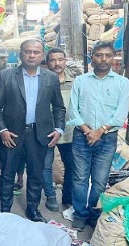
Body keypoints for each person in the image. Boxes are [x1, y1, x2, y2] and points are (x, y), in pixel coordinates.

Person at [0, 39, 65, 222]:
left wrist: (59, 129)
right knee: (7, 173)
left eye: (36, 52)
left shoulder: (51, 78)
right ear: (20, 53)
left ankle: (33, 209)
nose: (32, 55)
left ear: (42, 56)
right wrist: (2, 130)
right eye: (28, 51)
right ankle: (5, 210)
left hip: (39, 134)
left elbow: (58, 107)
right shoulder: (6, 76)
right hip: (12, 135)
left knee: (36, 174)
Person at [68, 41, 129, 231]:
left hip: (107, 138)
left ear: (113, 58)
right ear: (92, 57)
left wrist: (100, 131)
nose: (103, 59)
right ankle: (80, 214)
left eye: (108, 55)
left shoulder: (122, 83)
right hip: (82, 137)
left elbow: (120, 114)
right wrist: (89, 131)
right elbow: (73, 111)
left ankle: (94, 214)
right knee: (79, 178)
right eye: (99, 55)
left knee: (99, 180)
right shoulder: (80, 81)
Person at [43, 47, 75, 212]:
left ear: (65, 61)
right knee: (46, 166)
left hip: (69, 131)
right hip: (47, 131)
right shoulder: (42, 81)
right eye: (53, 60)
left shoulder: (75, 82)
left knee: (71, 166)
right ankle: (50, 196)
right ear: (47, 63)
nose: (57, 64)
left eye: (60, 60)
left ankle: (67, 198)